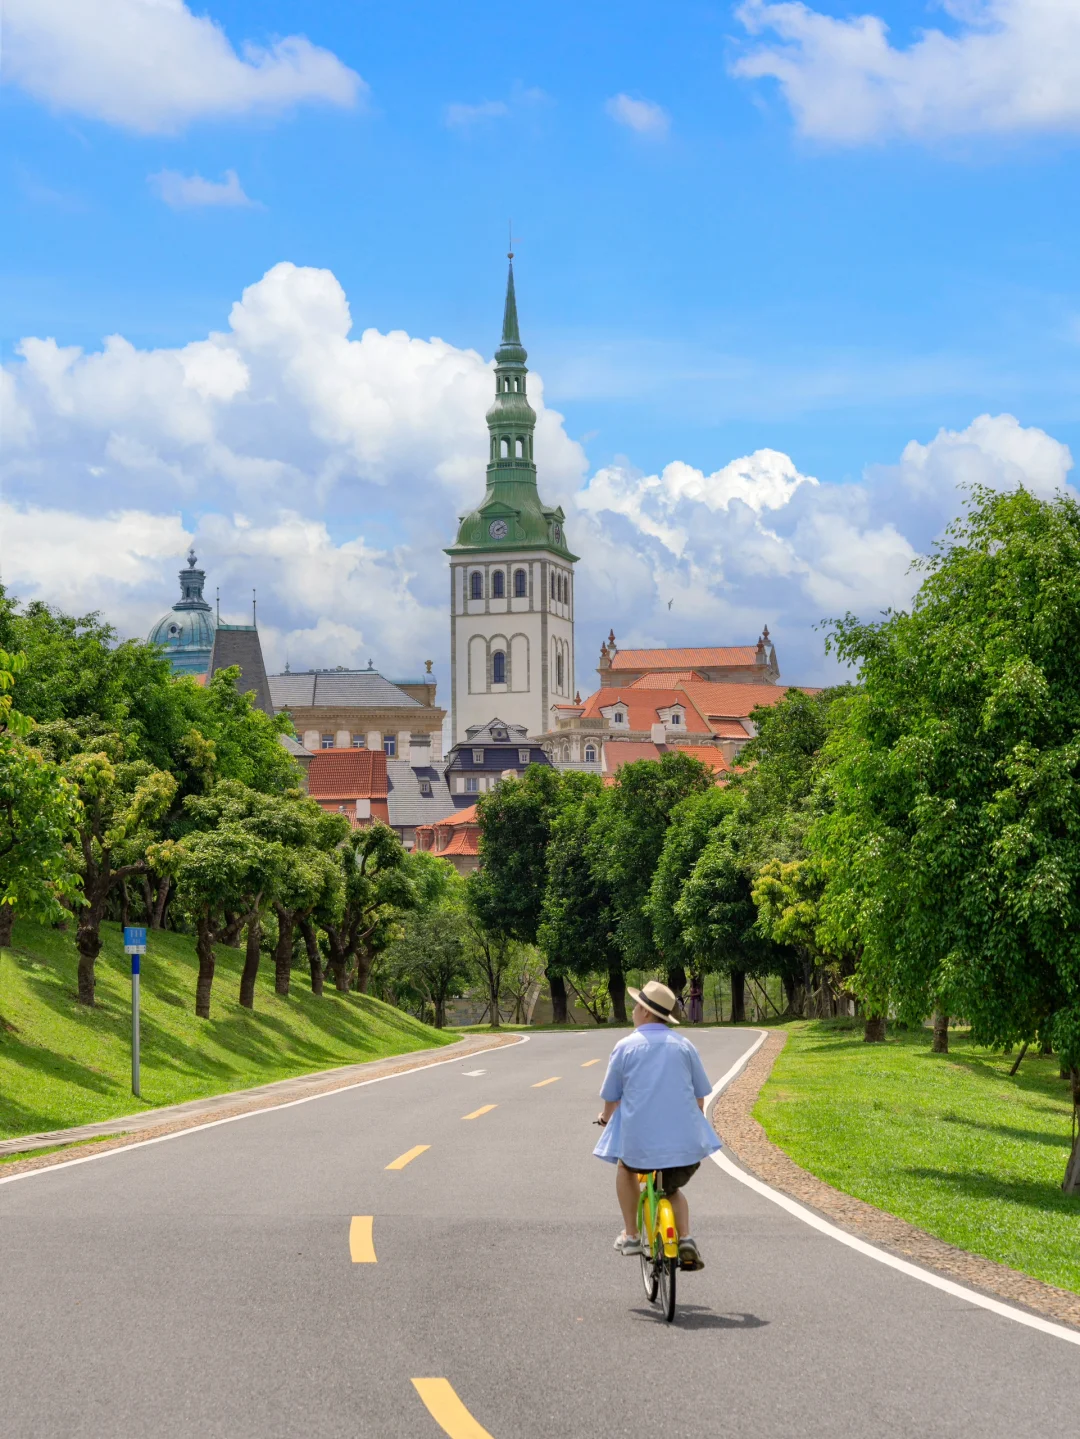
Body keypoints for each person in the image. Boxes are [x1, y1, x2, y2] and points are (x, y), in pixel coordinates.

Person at [593, 979, 720, 1271]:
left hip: (640, 1146)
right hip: (684, 1147)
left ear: (647, 1013)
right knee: (671, 1190)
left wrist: (605, 1117)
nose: (634, 1010)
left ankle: (632, 1236)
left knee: (625, 1169)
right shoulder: (684, 1045)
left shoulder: (626, 1046)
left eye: (637, 1006)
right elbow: (700, 1095)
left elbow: (611, 1096)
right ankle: (685, 1238)